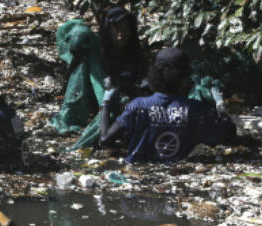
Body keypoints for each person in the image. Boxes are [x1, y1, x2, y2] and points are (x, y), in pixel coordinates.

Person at [100, 46, 237, 164]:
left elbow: (105, 139)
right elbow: (228, 136)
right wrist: (221, 106)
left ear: (154, 74)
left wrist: (106, 105)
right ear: (184, 76)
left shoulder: (137, 106)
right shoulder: (196, 110)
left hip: (137, 174)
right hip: (177, 173)